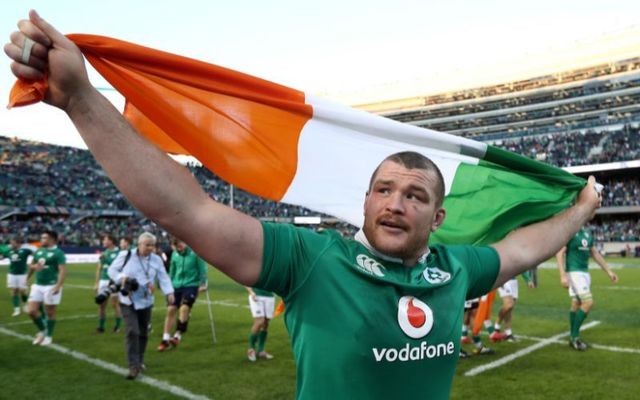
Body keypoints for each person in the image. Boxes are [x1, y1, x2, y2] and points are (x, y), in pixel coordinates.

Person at [6, 13, 603, 398]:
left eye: (415, 195)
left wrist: (581, 208)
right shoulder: (313, 259)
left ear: (437, 218)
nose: (396, 204)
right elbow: (189, 212)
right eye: (385, 190)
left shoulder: (454, 269)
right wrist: (80, 98)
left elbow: (522, 248)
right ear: (365, 201)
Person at [108, 232, 174, 379]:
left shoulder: (156, 259)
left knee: (143, 333)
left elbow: (163, 276)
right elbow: (111, 270)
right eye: (147, 245)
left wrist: (169, 292)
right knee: (132, 331)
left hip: (146, 301)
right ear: (139, 244)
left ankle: (140, 360)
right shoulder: (126, 255)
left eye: (152, 245)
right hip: (128, 300)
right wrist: (122, 278)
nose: (150, 248)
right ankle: (133, 366)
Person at [557, 226, 618, 351]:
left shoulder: (587, 233)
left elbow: (595, 253)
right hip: (574, 272)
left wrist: (609, 271)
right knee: (588, 302)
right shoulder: (570, 231)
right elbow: (559, 253)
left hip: (584, 272)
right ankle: (574, 337)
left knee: (576, 303)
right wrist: (562, 275)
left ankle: (573, 338)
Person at [157, 238, 207, 351]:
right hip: (176, 285)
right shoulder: (175, 254)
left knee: (184, 308)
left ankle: (177, 335)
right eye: (176, 246)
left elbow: (202, 270)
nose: (179, 247)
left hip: (191, 285)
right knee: (170, 310)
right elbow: (172, 271)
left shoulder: (196, 253)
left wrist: (203, 284)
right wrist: (168, 285)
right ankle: (165, 339)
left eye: (180, 244)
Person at [26, 230, 66, 346]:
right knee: (31, 311)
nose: (42, 240)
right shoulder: (38, 251)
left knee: (50, 312)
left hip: (51, 285)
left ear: (52, 239)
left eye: (44, 238)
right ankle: (43, 330)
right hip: (37, 285)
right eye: (42, 238)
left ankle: (48, 336)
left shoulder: (58, 253)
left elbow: (62, 270)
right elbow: (32, 265)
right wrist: (27, 277)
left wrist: (58, 286)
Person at [490, 271, 535, 342]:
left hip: (513, 281)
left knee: (510, 309)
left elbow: (520, 264)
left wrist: (528, 279)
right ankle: (496, 327)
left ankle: (508, 333)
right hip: (503, 279)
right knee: (508, 305)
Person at [94, 234, 123, 333]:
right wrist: (96, 283)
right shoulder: (104, 252)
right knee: (101, 304)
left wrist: (106, 259)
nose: (103, 242)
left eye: (105, 240)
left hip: (114, 280)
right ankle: (101, 327)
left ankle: (117, 326)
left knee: (115, 304)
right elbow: (99, 268)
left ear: (111, 241)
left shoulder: (119, 253)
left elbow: (118, 267)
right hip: (103, 280)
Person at [1, 237, 33, 316]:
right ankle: (16, 309)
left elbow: (35, 254)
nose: (11, 244)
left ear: (18, 243)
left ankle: (25, 304)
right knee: (14, 291)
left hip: (22, 274)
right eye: (11, 242)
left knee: (23, 291)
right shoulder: (9, 251)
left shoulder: (25, 251)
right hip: (12, 274)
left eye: (12, 242)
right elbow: (2, 257)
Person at [246, 287, 275, 361]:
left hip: (270, 296)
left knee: (265, 323)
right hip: (256, 296)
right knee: (259, 322)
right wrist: (251, 292)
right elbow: (246, 281)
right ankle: (251, 349)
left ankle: (261, 351)